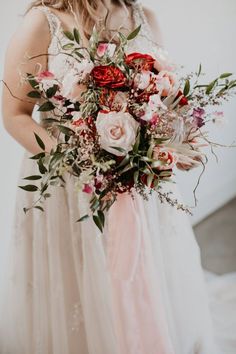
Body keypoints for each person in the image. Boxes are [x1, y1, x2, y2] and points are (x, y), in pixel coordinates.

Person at [0, 1, 235, 353]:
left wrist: (177, 142)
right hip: (72, 186)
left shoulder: (145, 18)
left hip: (137, 184)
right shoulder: (43, 23)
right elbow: (15, 115)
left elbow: (164, 101)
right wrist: (79, 157)